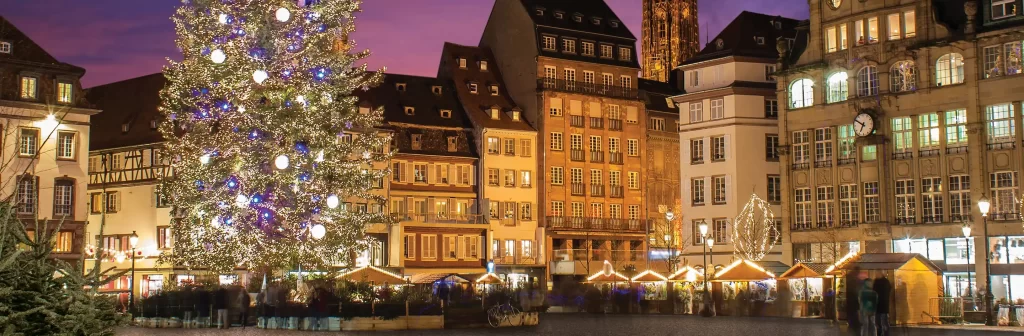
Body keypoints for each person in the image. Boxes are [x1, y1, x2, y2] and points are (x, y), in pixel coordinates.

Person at [844, 268, 861, 335]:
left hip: (851, 306)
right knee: (855, 324)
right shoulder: (855, 281)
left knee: (853, 324)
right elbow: (856, 294)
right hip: (854, 306)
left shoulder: (850, 280)